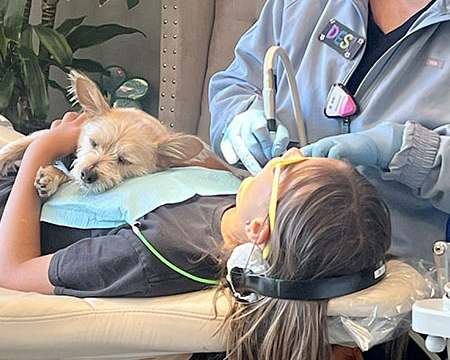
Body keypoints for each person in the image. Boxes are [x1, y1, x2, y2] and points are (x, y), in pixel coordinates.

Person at [0, 112, 392, 359]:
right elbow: (182, 156)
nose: (281, 156)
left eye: (287, 169)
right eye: (298, 156)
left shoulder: (157, 252)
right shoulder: (233, 194)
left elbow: (14, 271)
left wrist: (42, 150)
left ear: (260, 229)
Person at [209, 0, 450, 262]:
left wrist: (403, 150)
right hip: (276, 248)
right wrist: (239, 122)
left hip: (399, 268)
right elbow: (234, 82)